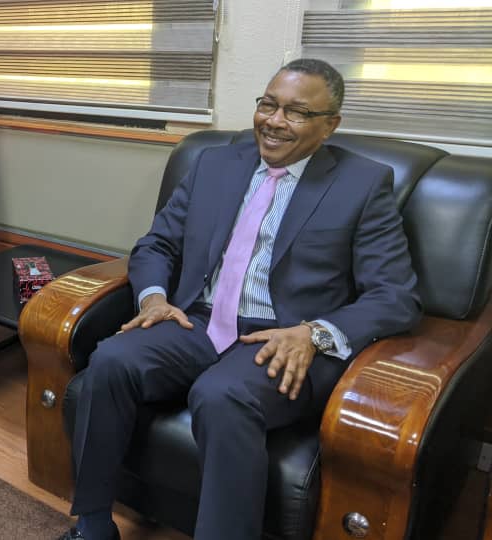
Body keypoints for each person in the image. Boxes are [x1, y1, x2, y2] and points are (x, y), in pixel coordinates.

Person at [60, 58, 421, 540]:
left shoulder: (363, 184)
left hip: (285, 338)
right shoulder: (214, 164)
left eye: (296, 112)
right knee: (110, 361)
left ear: (330, 125)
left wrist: (314, 334)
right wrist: (153, 299)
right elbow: (158, 245)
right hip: (198, 321)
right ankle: (93, 524)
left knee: (221, 395)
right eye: (268, 105)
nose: (274, 121)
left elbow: (395, 295)